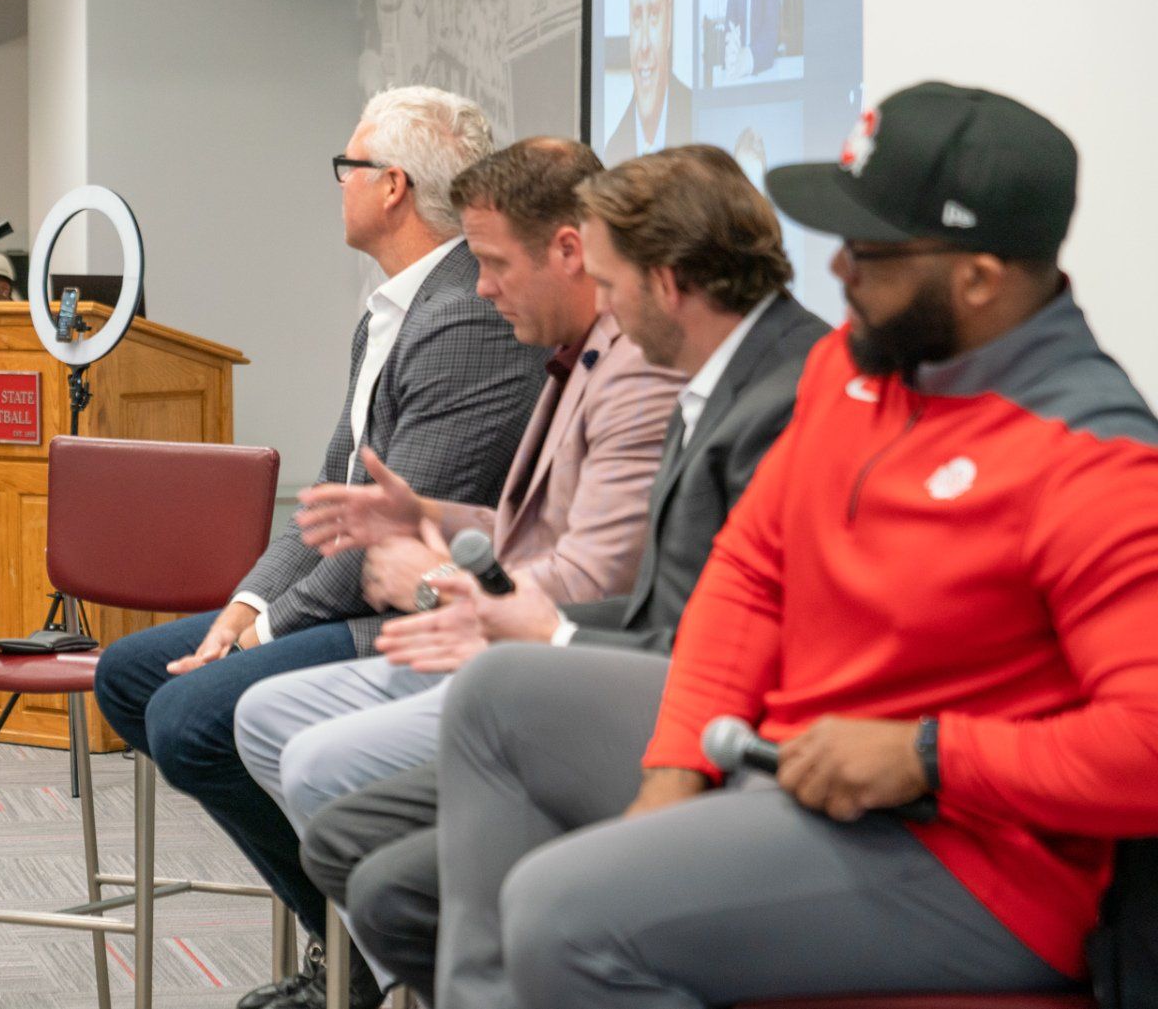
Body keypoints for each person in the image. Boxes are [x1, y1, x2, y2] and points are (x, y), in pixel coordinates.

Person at [447, 83, 1158, 1009]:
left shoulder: (1098, 460)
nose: (838, 270)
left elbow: (1145, 744)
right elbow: (750, 570)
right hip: (788, 754)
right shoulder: (852, 368)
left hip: (964, 852)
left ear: (979, 278)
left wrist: (929, 754)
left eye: (868, 251)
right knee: (498, 691)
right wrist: (674, 770)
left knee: (561, 910)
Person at [300, 145, 828, 1004]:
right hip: (664, 684)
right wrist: (519, 612)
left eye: (610, 286)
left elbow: (720, 629)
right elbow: (676, 604)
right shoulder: (716, 377)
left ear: (667, 284)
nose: (603, 311)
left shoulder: (780, 396)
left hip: (720, 725)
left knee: (463, 755)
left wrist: (548, 631)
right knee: (366, 842)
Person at [91, 86, 547, 1007]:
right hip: (366, 588)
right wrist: (247, 605)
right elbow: (335, 495)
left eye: (349, 166)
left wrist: (264, 634)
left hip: (417, 611)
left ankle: (355, 954)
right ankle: (343, 939)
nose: (338, 182)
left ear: (394, 185)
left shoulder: (466, 313)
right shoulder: (393, 307)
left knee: (189, 718)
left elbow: (390, 528)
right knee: (130, 674)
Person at [229, 137, 685, 1006]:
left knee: (312, 760)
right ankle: (395, 972)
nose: (480, 287)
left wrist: (432, 579)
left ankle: (394, 976)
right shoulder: (578, 349)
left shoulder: (631, 371)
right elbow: (526, 532)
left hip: (559, 661)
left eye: (493, 263)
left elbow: (590, 580)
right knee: (258, 716)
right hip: (513, 640)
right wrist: (427, 516)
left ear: (569, 250)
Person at [604, 0, 692, 164]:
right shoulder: (612, 152)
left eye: (653, 14)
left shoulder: (699, 118)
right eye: (636, 16)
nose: (643, 44)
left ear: (669, 21)